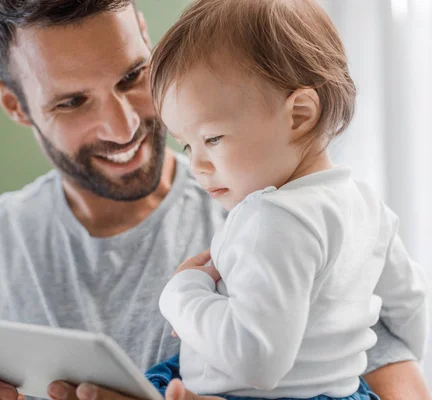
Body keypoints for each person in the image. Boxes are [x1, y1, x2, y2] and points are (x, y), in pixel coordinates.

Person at [0, 1, 432, 400]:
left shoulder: (274, 212)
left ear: (148, 41)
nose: (124, 124)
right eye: (73, 101)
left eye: (133, 75)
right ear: (14, 104)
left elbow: (399, 378)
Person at [143, 0, 428, 399]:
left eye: (212, 138)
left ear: (299, 115)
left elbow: (256, 359)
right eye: (188, 146)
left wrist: (182, 293)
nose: (198, 166)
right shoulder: (364, 204)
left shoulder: (272, 217)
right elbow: (409, 308)